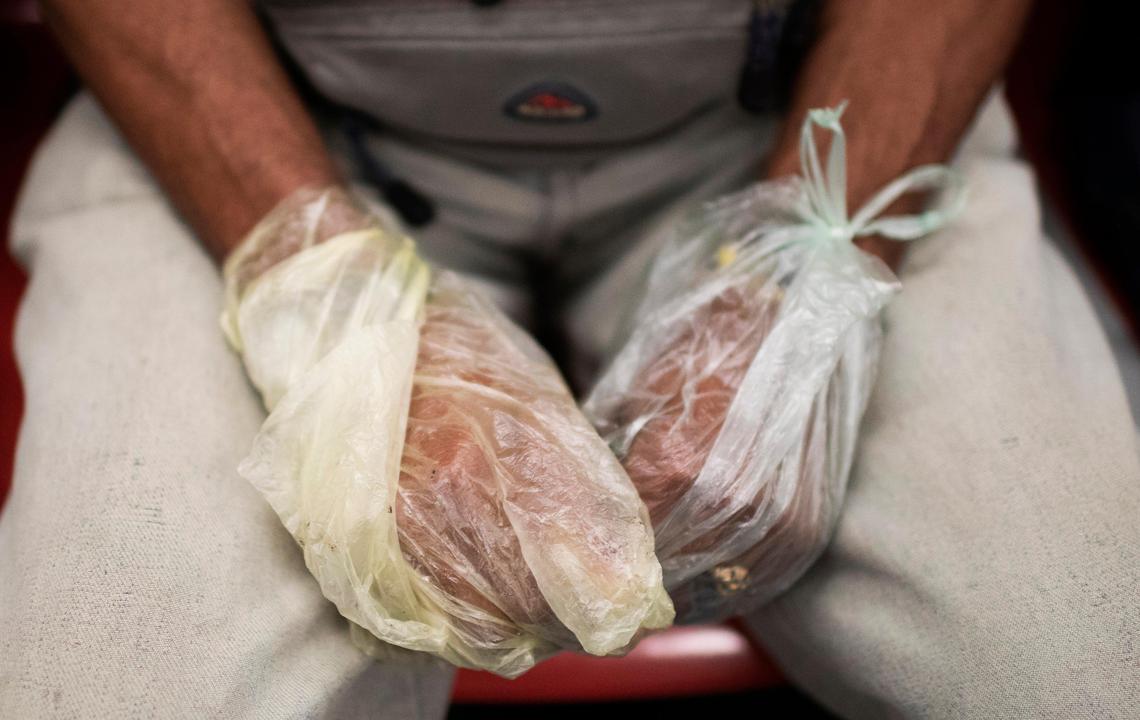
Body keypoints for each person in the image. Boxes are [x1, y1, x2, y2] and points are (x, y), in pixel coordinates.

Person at [2, 0, 1137, 717]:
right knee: (114, 686)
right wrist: (327, 290)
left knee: (1081, 665)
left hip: (805, 124)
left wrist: (798, 274)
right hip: (268, 137)